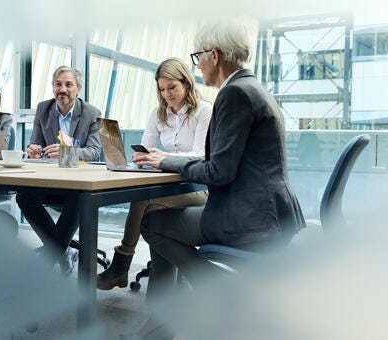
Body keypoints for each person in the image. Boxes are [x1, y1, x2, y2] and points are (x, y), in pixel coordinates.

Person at [129, 19, 306, 339]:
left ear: (214, 54)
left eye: (198, 57)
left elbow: (218, 172)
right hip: (271, 211)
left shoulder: (234, 94)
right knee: (161, 221)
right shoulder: (252, 87)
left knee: (152, 224)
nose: (197, 66)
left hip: (250, 218)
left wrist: (168, 161)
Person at [96, 58, 212, 290]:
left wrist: (165, 158)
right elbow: (145, 145)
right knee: (152, 207)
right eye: (162, 89)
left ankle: (122, 264)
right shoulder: (159, 114)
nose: (167, 94)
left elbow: (202, 155)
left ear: (186, 83)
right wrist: (142, 156)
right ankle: (163, 289)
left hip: (200, 189)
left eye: (172, 87)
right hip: (171, 188)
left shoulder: (204, 110)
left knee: (145, 199)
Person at [16, 66, 102, 274]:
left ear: (78, 89)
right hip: (50, 181)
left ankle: (50, 258)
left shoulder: (91, 113)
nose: (62, 89)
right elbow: (34, 144)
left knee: (80, 198)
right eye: (58, 84)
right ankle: (64, 251)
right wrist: (33, 151)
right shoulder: (43, 109)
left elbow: (94, 152)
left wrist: (67, 153)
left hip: (77, 184)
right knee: (23, 196)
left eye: (68, 84)